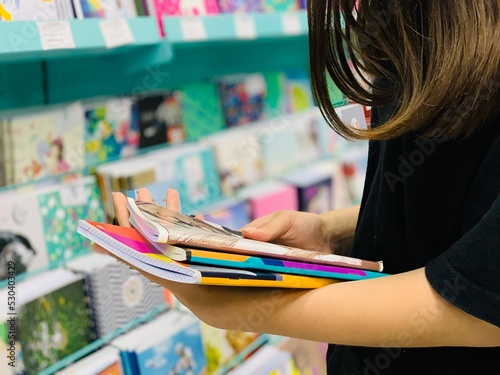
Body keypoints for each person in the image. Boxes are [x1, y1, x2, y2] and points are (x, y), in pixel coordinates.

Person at [104, 1, 500, 374]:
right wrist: (334, 232)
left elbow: (477, 306)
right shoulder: (412, 29)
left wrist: (243, 305)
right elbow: (452, 207)